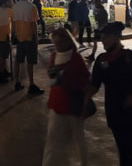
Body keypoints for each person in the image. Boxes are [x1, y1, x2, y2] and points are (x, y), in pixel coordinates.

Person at [84, 22, 132, 166]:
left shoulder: (131, 58)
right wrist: (83, 97)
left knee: (127, 152)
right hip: (115, 114)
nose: (103, 40)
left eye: (106, 37)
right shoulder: (101, 60)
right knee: (124, 152)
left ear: (116, 38)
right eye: (102, 37)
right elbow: (94, 85)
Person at [42, 28, 89, 166]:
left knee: (78, 138)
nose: (57, 45)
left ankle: (84, 163)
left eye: (59, 42)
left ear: (67, 42)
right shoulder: (54, 56)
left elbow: (85, 81)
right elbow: (52, 77)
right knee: (52, 139)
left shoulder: (76, 59)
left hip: (73, 103)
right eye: (55, 42)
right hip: (57, 102)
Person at [12, 0, 44, 95]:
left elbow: (14, 22)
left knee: (18, 60)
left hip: (20, 37)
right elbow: (34, 24)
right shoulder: (32, 7)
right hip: (30, 37)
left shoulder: (15, 6)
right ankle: (31, 84)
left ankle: (17, 82)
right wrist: (37, 37)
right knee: (30, 62)